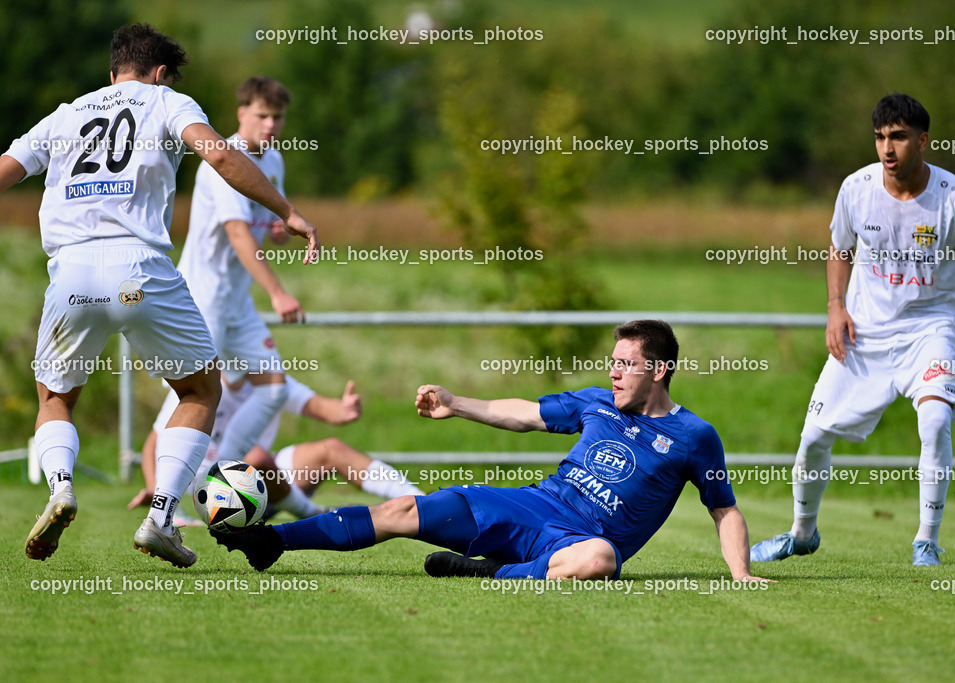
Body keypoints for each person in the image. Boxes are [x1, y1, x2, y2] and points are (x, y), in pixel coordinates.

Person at [2, 23, 319, 567]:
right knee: (200, 391)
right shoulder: (167, 101)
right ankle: (161, 518)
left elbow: (6, 171)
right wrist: (287, 211)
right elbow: (219, 157)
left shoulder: (65, 113)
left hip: (71, 273)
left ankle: (59, 489)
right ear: (159, 73)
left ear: (112, 71)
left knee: (55, 399)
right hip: (139, 270)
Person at [210, 320, 769, 584]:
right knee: (403, 512)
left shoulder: (695, 437)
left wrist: (739, 573)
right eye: (614, 360)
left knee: (599, 562)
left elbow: (725, 509)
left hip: (577, 541)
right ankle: (270, 540)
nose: (615, 371)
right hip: (532, 506)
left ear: (660, 370)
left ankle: (492, 574)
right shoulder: (596, 403)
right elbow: (523, 413)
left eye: (627, 363)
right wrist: (456, 403)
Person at [750, 93, 955, 567]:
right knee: (812, 438)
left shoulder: (954, 198)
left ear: (923, 141)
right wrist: (835, 307)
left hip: (932, 330)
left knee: (934, 421)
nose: (888, 148)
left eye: (899, 137)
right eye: (881, 137)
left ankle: (926, 540)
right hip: (865, 333)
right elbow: (839, 248)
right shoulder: (856, 188)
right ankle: (802, 534)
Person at [165, 75, 304, 466]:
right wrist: (278, 293)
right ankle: (163, 499)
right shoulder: (223, 161)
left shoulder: (274, 160)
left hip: (235, 301)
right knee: (188, 397)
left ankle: (217, 476)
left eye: (278, 117)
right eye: (262, 115)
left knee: (273, 389)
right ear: (242, 113)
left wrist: (278, 229)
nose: (271, 125)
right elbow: (239, 235)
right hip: (201, 297)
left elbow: (261, 223)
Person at [128, 375, 424, 522]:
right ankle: (312, 514)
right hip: (208, 490)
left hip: (265, 480)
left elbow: (325, 409)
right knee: (256, 456)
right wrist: (160, 495)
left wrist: (343, 409)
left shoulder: (272, 380)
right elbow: (154, 441)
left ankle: (423, 503)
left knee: (330, 449)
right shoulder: (201, 382)